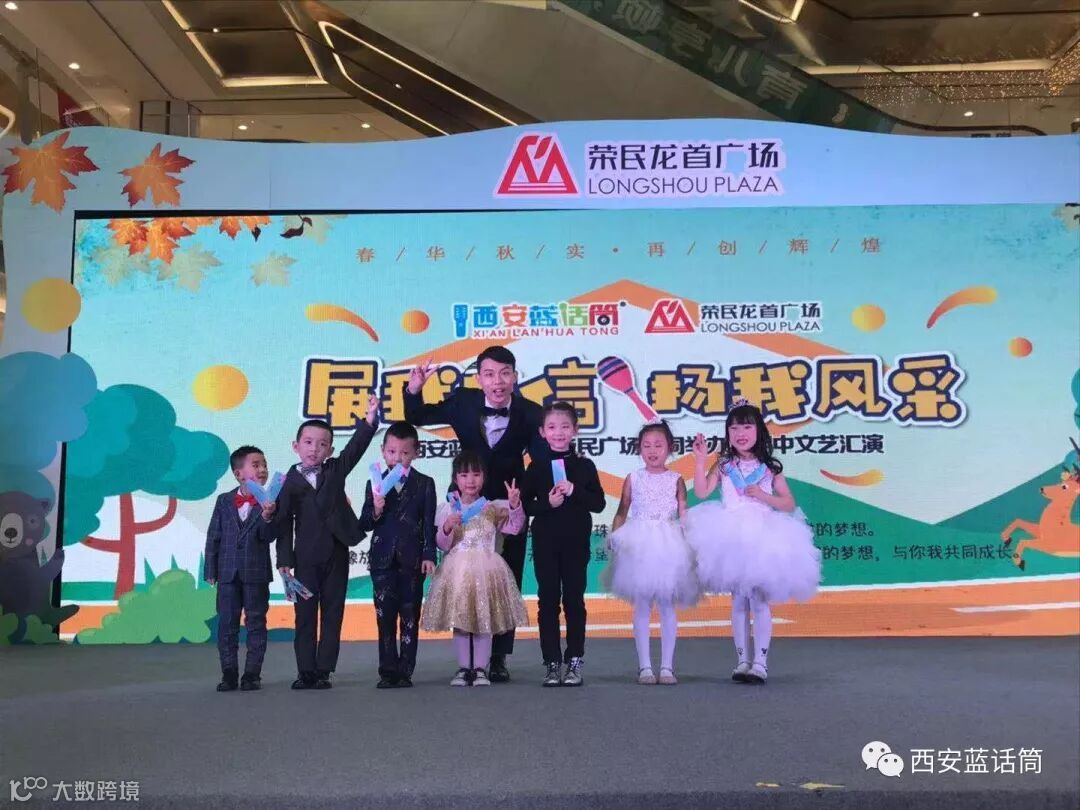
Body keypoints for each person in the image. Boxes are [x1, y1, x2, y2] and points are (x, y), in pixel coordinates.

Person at [404, 345, 545, 682]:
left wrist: (522, 501)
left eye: (505, 374)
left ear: (515, 376)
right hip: (466, 502)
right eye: (489, 374)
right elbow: (418, 417)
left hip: (508, 504)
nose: (498, 382)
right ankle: (467, 657)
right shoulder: (463, 402)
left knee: (506, 580)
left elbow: (540, 460)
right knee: (468, 580)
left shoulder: (531, 412)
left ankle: (498, 657)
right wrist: (414, 389)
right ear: (479, 378)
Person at [686, 399, 821, 685]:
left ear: (759, 430)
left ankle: (760, 662)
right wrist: (699, 461)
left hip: (762, 536)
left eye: (747, 427)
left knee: (758, 600)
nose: (740, 434)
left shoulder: (769, 468)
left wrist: (763, 496)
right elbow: (701, 491)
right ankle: (741, 662)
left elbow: (788, 504)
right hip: (731, 536)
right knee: (738, 601)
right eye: (734, 428)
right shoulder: (724, 465)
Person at [276, 394, 379, 690]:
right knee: (304, 615)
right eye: (308, 442)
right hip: (305, 559)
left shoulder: (335, 470)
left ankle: (323, 670)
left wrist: (370, 420)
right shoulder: (287, 482)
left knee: (333, 613)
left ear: (330, 450)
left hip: (337, 553)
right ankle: (305, 671)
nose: (314, 449)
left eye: (322, 444)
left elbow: (355, 449)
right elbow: (283, 525)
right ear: (296, 446)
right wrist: (284, 561)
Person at [421, 451, 528, 687]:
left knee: (483, 621)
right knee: (460, 621)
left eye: (476, 474)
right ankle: (463, 668)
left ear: (484, 477)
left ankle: (480, 668)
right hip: (457, 572)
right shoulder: (448, 508)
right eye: (464, 475)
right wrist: (447, 528)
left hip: (486, 571)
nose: (470, 480)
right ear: (455, 479)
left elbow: (515, 528)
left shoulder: (493, 507)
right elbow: (442, 544)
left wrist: (514, 505)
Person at [604, 422, 698, 686]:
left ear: (670, 448)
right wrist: (615, 536)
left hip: (668, 543)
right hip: (639, 544)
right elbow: (622, 511)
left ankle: (667, 667)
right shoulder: (633, 478)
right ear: (639, 449)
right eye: (646, 446)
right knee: (642, 604)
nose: (652, 451)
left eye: (658, 445)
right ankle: (645, 666)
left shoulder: (676, 479)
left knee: (667, 604)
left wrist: (690, 543)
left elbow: (683, 514)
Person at [521, 401, 605, 686]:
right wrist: (548, 502)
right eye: (552, 427)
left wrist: (574, 490)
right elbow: (526, 506)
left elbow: (598, 503)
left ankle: (575, 660)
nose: (558, 433)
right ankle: (552, 662)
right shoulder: (536, 467)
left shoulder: (584, 466)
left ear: (575, 430)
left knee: (573, 600)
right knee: (547, 600)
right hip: (545, 542)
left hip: (576, 542)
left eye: (565, 426)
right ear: (542, 432)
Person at [358, 422, 437, 689]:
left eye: (404, 452)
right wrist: (376, 508)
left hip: (412, 560)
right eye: (392, 452)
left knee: (410, 616)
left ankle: (405, 670)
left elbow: (428, 524)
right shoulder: (375, 483)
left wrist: (429, 555)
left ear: (416, 452)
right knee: (384, 616)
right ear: (383, 451)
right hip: (382, 560)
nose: (397, 458)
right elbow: (364, 523)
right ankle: (387, 670)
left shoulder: (424, 484)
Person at [204, 445, 277, 692]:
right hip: (227, 573)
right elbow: (213, 536)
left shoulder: (270, 501)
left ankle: (252, 675)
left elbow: (269, 536)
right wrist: (210, 569)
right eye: (256, 465)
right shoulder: (224, 501)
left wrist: (267, 516)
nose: (263, 469)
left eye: (264, 465)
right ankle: (229, 673)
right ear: (238, 474)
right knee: (227, 624)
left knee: (256, 623)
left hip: (256, 573)